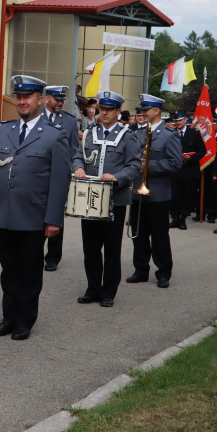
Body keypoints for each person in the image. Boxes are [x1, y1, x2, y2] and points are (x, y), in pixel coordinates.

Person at [0, 75, 70, 341]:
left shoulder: (54, 136)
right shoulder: (3, 130)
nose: (22, 101)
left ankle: (24, 320)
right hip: (4, 215)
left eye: (27, 97)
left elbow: (60, 181)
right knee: (9, 271)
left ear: (40, 100)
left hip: (33, 216)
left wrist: (54, 219)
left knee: (29, 272)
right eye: (19, 96)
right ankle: (9, 318)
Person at [72, 91, 141, 306]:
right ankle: (93, 288)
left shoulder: (128, 135)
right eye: (102, 109)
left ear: (118, 112)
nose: (105, 112)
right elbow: (77, 156)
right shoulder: (90, 133)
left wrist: (117, 177)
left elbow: (135, 166)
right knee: (90, 248)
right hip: (90, 198)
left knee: (112, 249)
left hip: (115, 200)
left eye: (110, 110)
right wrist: (79, 167)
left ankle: (109, 292)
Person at [126, 95, 182, 288]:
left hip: (158, 193)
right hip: (137, 192)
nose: (142, 112)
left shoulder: (169, 134)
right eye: (142, 109)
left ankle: (163, 272)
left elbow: (176, 163)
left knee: (159, 236)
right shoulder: (137, 133)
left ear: (157, 111)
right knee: (138, 234)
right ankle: (141, 269)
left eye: (146, 109)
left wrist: (149, 166)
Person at [41, 85, 79, 271]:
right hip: (38, 174)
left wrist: (70, 169)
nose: (60, 103)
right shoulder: (36, 116)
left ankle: (53, 257)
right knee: (35, 213)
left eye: (62, 99)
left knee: (56, 212)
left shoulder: (70, 121)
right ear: (47, 98)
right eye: (56, 99)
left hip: (59, 174)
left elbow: (74, 149)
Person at [169, 110, 206, 231]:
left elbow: (202, 151)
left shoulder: (194, 133)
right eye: (176, 120)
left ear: (186, 120)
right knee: (174, 195)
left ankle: (183, 219)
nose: (178, 122)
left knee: (187, 195)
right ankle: (175, 218)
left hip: (189, 169)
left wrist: (191, 157)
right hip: (174, 170)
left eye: (180, 120)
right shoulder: (170, 133)